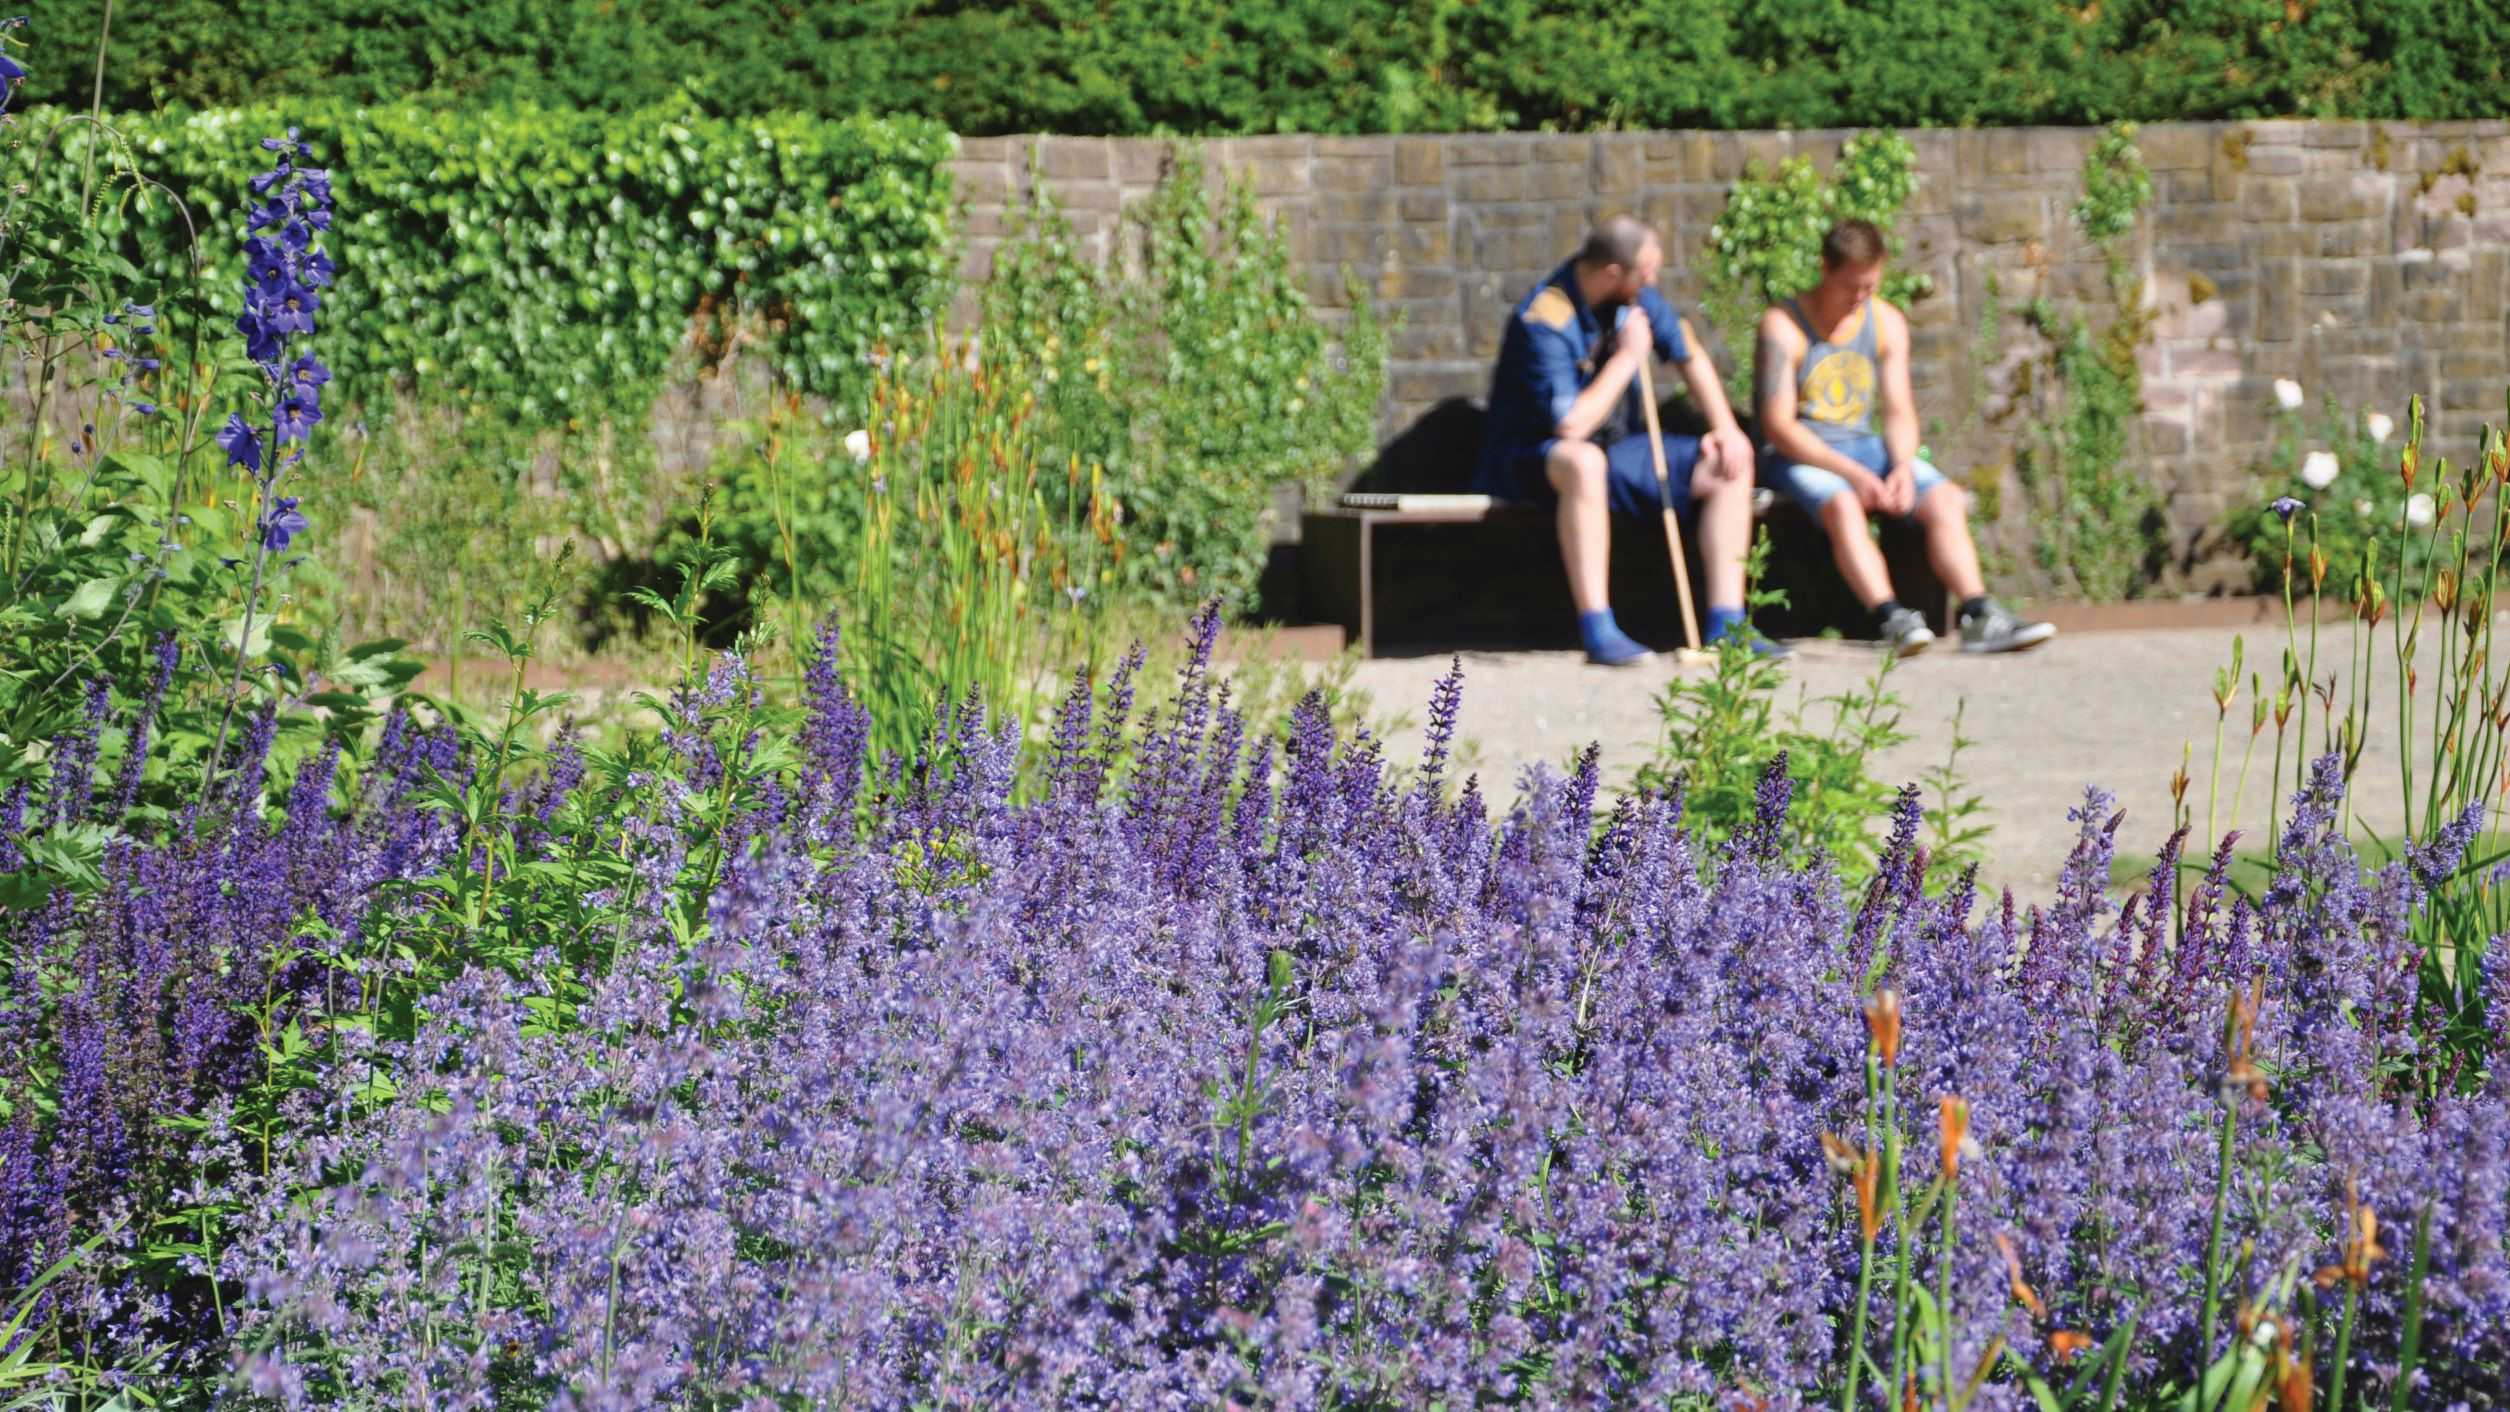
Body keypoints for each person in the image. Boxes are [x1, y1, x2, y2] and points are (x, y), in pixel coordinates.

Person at [1473, 216, 1772, 666]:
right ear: (1613, 273)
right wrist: (1629, 357)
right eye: (1645, 271)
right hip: (1529, 458)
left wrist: (1726, 428)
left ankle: (1727, 625)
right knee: (1584, 461)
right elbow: (1570, 425)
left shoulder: (1637, 300)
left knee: (1730, 460)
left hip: (1617, 451)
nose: (1653, 281)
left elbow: (1690, 358)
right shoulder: (1546, 319)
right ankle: (1599, 628)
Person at [1754, 219, 2055, 655]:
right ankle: (1891, 616)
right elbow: (1779, 427)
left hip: (1864, 447)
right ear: (1824, 269)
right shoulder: (1784, 326)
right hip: (1800, 454)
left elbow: (1899, 411)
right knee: (1842, 503)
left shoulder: (1886, 321)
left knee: (1944, 497)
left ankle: (1979, 613)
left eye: (1869, 287)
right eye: (1850, 287)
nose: (1859, 299)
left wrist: (1899, 467)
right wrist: (1854, 476)